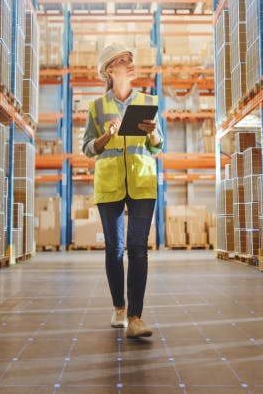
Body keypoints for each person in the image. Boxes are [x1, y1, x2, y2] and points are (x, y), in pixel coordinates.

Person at [82, 43, 164, 339]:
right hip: (110, 184)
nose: (130, 63)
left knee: (138, 248)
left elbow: (158, 144)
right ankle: (119, 307)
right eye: (122, 60)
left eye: (131, 59)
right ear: (108, 70)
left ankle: (135, 318)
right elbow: (87, 148)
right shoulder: (96, 107)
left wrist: (153, 132)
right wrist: (107, 135)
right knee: (115, 250)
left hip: (142, 181)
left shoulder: (147, 100)